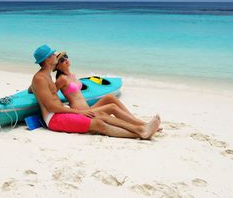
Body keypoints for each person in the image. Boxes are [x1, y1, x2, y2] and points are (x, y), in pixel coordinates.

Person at [30, 44, 160, 139]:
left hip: (61, 113)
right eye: (53, 54)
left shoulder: (44, 76)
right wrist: (80, 111)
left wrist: (33, 89)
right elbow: (52, 106)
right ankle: (141, 132)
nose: (55, 56)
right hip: (54, 119)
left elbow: (38, 90)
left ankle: (141, 129)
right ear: (48, 59)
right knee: (98, 123)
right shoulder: (40, 78)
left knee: (102, 115)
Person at [55, 51, 156, 127]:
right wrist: (64, 108)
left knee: (110, 98)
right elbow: (51, 94)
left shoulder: (72, 75)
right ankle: (143, 124)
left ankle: (134, 120)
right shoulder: (61, 79)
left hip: (88, 109)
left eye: (66, 57)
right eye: (62, 60)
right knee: (112, 106)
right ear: (58, 66)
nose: (66, 60)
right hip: (82, 113)